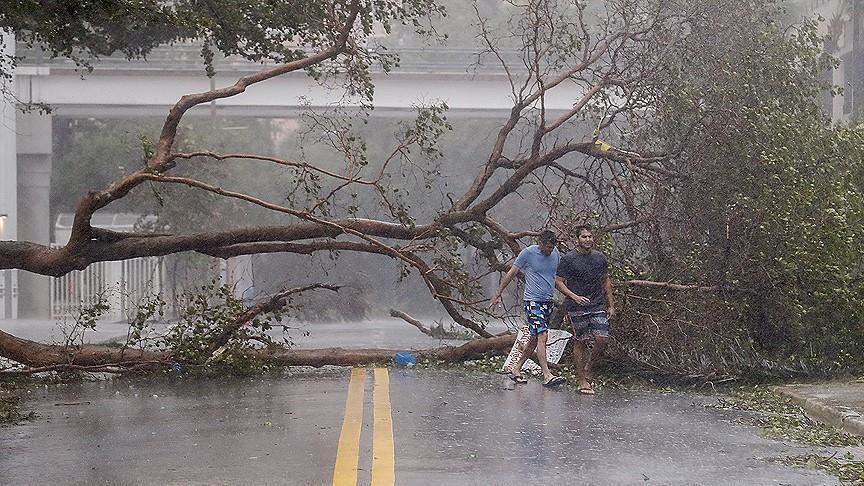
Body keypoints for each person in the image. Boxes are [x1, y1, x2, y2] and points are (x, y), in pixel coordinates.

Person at [490, 230, 566, 387]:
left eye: (552, 247)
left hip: (547, 301)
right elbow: (512, 273)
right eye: (547, 247)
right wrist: (498, 293)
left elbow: (559, 278)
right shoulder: (528, 253)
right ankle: (547, 375)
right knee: (543, 335)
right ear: (540, 243)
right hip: (532, 301)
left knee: (533, 339)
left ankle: (516, 368)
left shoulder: (555, 253)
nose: (549, 250)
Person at [555, 225, 616, 395]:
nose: (588, 240)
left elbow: (605, 281)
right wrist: (573, 296)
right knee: (580, 340)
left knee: (602, 340)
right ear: (577, 239)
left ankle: (589, 366)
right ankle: (582, 379)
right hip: (576, 306)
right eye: (584, 237)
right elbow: (558, 281)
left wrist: (611, 305)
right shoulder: (568, 259)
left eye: (590, 237)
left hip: (597, 304)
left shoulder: (599, 258)